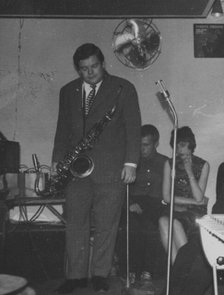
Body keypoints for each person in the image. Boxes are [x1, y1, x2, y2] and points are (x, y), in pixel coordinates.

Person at [51, 43, 141, 293]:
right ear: (77, 70)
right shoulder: (67, 91)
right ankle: (76, 277)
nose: (90, 73)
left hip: (111, 168)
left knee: (106, 224)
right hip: (76, 170)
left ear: (103, 64)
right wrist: (58, 158)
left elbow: (134, 128)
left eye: (94, 66)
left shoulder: (124, 88)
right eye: (83, 69)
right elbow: (62, 128)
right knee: (75, 223)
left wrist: (131, 163)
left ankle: (100, 275)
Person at [116, 124, 168, 288]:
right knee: (133, 226)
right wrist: (130, 203)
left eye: (146, 145)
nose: (141, 149)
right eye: (139, 145)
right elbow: (119, 187)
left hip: (155, 204)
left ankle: (147, 271)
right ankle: (130, 270)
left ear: (156, 143)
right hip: (133, 203)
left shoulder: (165, 162)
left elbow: (168, 191)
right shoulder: (130, 162)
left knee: (153, 226)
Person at [159, 126, 210, 264]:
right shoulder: (169, 164)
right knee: (163, 221)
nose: (179, 149)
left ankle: (184, 267)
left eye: (182, 145)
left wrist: (189, 172)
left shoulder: (203, 165)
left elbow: (199, 197)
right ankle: (177, 270)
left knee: (174, 223)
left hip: (193, 212)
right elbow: (166, 197)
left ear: (190, 145)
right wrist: (194, 201)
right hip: (174, 208)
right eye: (176, 145)